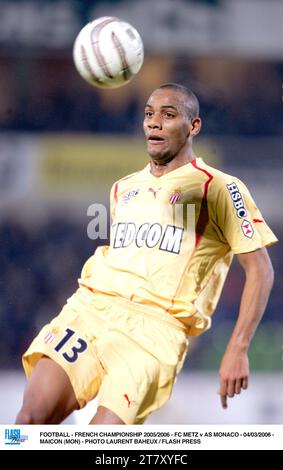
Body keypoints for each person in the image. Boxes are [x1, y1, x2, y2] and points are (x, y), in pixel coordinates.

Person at [16, 83, 277, 425]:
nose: (154, 123)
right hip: (91, 310)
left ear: (193, 126)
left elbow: (261, 271)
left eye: (168, 115)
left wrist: (238, 347)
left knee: (97, 444)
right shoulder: (123, 187)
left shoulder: (220, 188)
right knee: (29, 422)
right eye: (149, 114)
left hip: (153, 333)